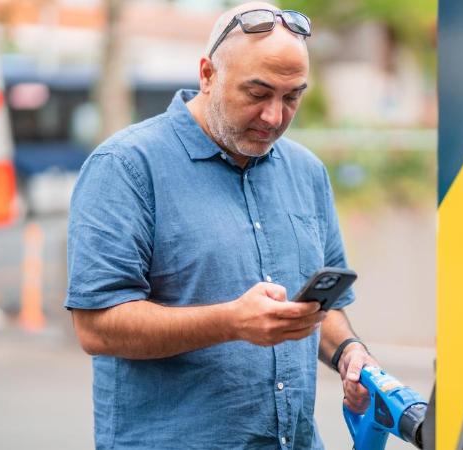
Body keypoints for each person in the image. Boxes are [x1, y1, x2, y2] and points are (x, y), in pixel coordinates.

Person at [66, 3, 379, 448]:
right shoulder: (126, 166)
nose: (274, 116)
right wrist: (231, 322)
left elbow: (317, 311)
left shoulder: (307, 171)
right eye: (257, 93)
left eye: (292, 97)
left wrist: (350, 353)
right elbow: (96, 327)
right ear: (208, 75)